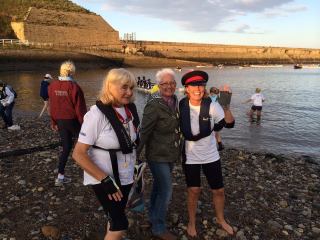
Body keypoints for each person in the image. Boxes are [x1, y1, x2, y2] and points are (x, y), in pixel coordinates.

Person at [72, 68, 139, 240]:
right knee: (120, 224)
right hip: (105, 179)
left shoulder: (130, 110)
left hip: (125, 175)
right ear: (109, 86)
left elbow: (130, 143)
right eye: (124, 87)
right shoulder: (96, 115)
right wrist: (105, 180)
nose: (129, 92)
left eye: (131, 87)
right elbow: (78, 154)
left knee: (114, 215)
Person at [179, 70, 235, 237]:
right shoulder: (180, 105)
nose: (198, 88)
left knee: (218, 191)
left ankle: (220, 219)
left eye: (201, 85)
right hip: (190, 156)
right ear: (186, 88)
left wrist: (226, 105)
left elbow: (230, 124)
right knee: (194, 190)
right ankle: (191, 223)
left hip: (211, 155)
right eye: (194, 85)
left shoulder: (212, 105)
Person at [137, 68, 181, 240]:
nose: (169, 86)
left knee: (158, 187)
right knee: (167, 190)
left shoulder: (175, 100)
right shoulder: (153, 104)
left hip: (171, 154)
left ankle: (152, 218)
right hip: (156, 155)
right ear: (158, 85)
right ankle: (159, 228)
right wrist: (135, 155)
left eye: (172, 83)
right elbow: (145, 131)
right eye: (164, 83)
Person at [48, 60, 87, 186]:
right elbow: (80, 109)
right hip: (73, 121)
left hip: (60, 121)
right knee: (86, 145)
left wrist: (53, 121)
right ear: (71, 72)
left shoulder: (52, 86)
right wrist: (85, 125)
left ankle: (60, 177)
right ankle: (93, 173)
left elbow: (52, 106)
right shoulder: (74, 87)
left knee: (66, 147)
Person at [209, 87, 224, 151]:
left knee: (211, 133)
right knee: (217, 132)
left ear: (211, 93)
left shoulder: (208, 99)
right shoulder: (220, 99)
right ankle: (220, 145)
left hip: (212, 119)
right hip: (220, 120)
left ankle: (213, 147)